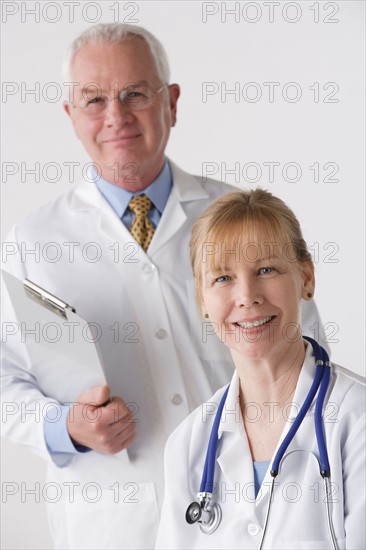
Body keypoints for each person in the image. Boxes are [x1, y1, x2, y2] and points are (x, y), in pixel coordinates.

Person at [1, 24, 326, 550]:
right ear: (70, 116)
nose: (116, 116)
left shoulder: (238, 217)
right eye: (94, 99)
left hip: (249, 509)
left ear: (171, 102)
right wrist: (65, 427)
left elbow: (309, 353)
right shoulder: (35, 240)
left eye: (135, 93)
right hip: (112, 523)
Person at [155, 189, 366, 549]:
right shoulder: (189, 443)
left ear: (307, 278)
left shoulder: (356, 419)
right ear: (202, 300)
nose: (247, 295)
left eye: (266, 269)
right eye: (223, 278)